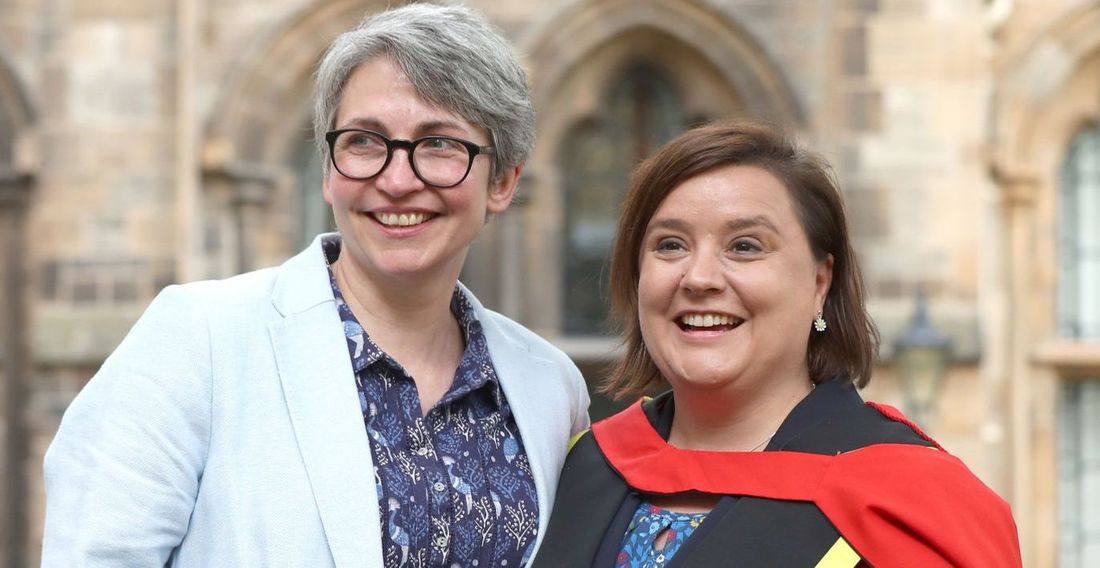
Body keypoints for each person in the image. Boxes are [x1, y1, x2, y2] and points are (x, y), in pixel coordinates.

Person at [42, 4, 590, 566]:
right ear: (328, 170)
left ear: (501, 181)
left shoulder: (550, 388)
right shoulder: (197, 341)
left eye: (439, 144)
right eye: (364, 142)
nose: (397, 180)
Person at [531, 121, 1021, 567]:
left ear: (819, 282)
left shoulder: (910, 504)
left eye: (745, 246)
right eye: (670, 245)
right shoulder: (580, 468)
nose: (699, 277)